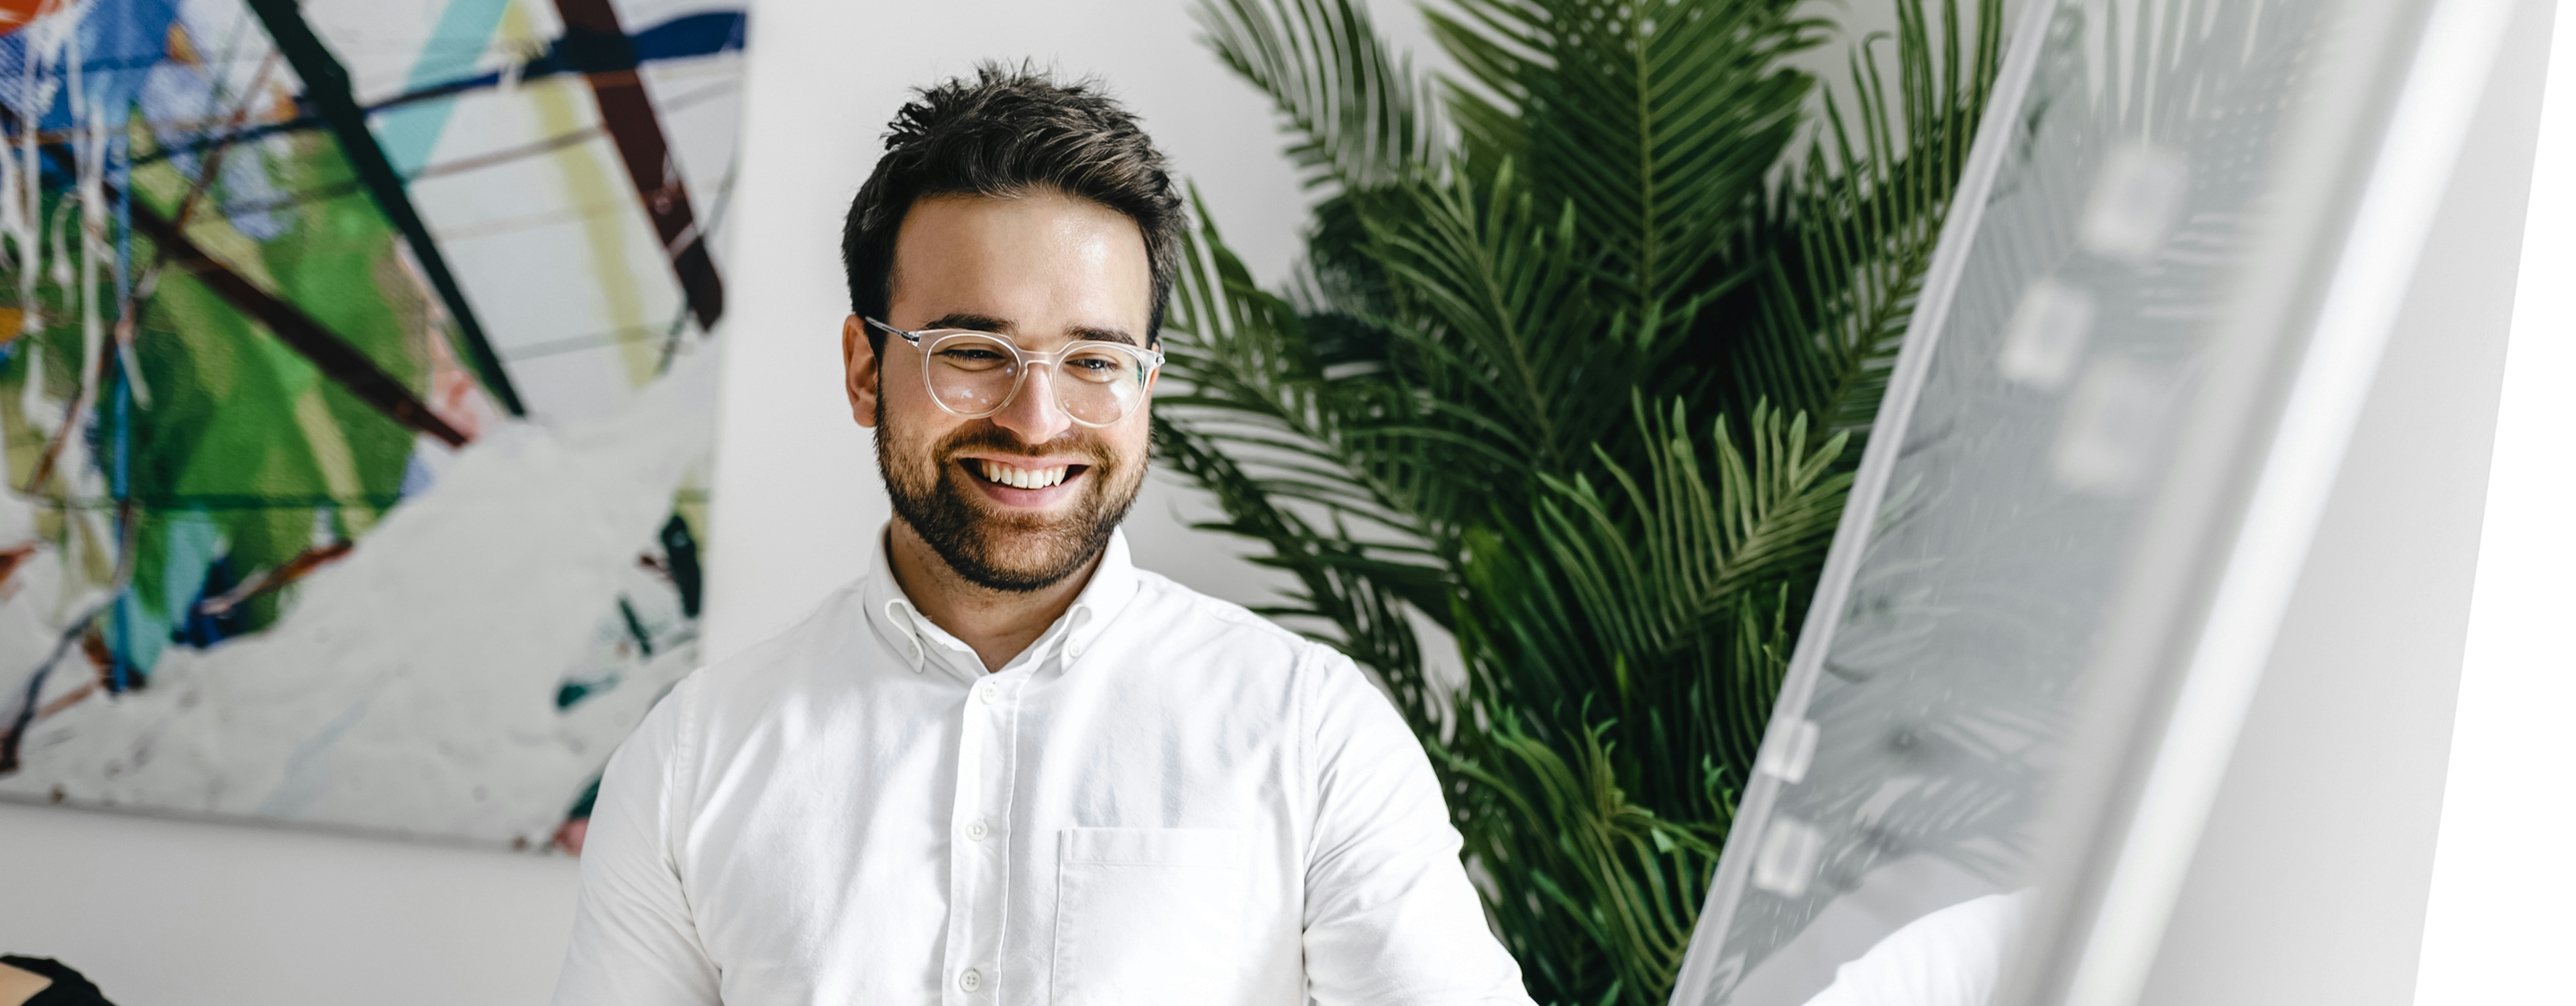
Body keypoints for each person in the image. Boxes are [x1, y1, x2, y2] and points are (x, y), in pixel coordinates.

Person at [552, 66, 1534, 1005]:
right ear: (864, 370)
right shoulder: (693, 761)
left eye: (1093, 359)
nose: (1035, 419)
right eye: (973, 352)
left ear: (1147, 382)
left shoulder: (1310, 734)